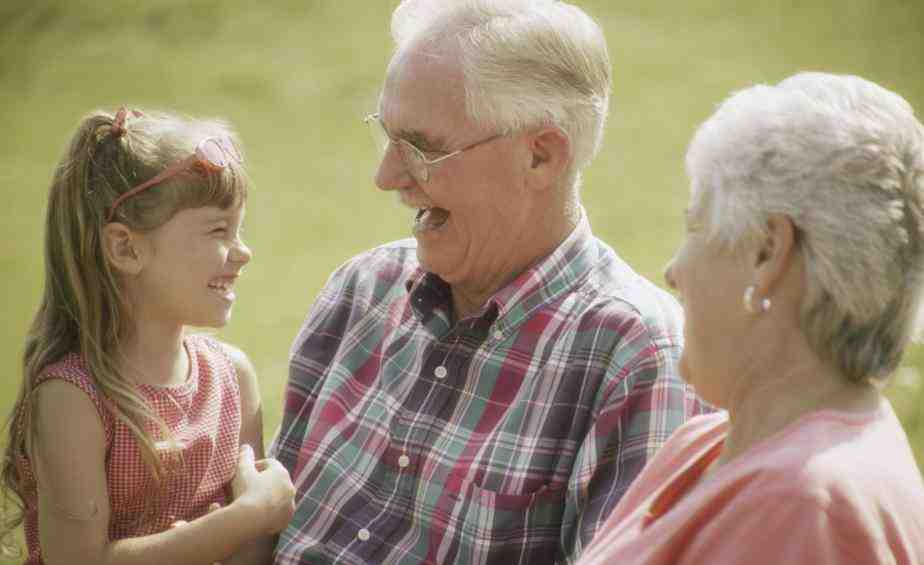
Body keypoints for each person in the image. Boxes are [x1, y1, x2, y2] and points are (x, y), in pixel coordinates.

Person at [270, 1, 709, 563]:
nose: (387, 178)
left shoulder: (637, 357)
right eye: (387, 137)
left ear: (541, 156)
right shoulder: (363, 289)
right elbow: (264, 529)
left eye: (423, 148)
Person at [578, 72, 924, 565]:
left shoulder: (807, 505)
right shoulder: (703, 443)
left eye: (694, 227)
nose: (673, 271)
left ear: (767, 252)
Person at [1, 108, 295, 565]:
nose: (244, 252)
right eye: (219, 230)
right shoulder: (72, 398)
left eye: (240, 229)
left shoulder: (232, 379)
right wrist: (248, 516)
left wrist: (248, 525)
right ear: (127, 248)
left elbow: (252, 555)